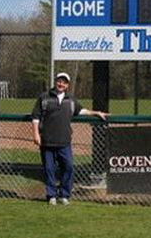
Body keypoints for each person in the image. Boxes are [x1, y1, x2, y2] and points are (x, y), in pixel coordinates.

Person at [31, 72, 108, 205]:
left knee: (68, 167)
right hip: (47, 140)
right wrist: (36, 134)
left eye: (64, 82)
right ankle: (51, 195)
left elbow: (81, 111)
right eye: (59, 81)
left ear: (67, 85)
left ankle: (64, 195)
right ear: (55, 82)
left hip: (64, 141)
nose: (61, 84)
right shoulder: (44, 97)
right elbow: (35, 117)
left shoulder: (71, 99)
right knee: (49, 169)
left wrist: (96, 113)